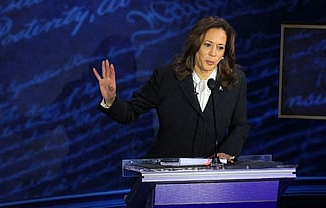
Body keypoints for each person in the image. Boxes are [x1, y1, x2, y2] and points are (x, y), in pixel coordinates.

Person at [93, 16, 249, 162]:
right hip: (166, 171)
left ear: (224, 53)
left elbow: (240, 125)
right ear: (195, 45)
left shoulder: (235, 81)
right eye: (207, 45)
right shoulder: (166, 77)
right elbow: (130, 113)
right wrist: (110, 100)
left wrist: (226, 152)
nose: (213, 53)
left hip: (211, 174)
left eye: (220, 47)